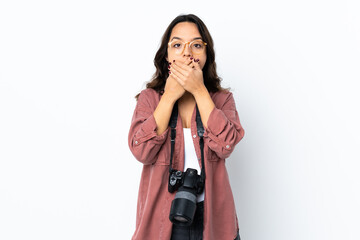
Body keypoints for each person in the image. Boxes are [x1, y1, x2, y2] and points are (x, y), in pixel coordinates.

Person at [128, 14, 245, 240]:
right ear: (166, 55)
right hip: (162, 221)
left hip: (213, 221)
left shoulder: (222, 100)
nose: (187, 52)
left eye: (197, 45)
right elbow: (141, 151)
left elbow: (226, 146)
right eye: (178, 44)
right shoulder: (149, 99)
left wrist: (200, 91)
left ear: (206, 55)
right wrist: (169, 96)